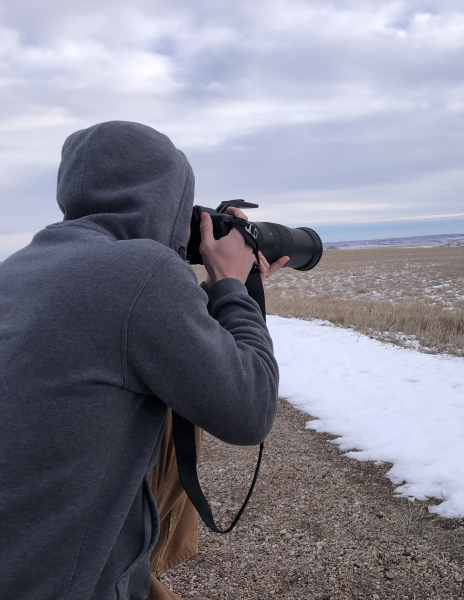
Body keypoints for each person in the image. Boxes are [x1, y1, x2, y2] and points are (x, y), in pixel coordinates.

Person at [0, 121, 288, 599]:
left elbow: (136, 331)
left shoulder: (18, 268)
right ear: (171, 198)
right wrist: (232, 285)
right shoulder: (141, 271)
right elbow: (251, 411)